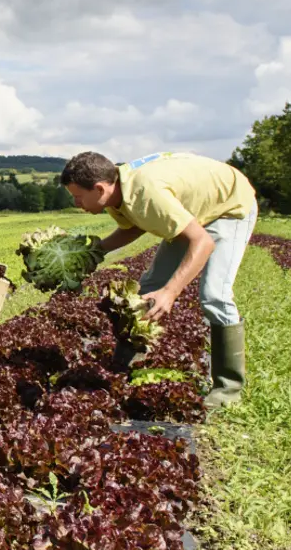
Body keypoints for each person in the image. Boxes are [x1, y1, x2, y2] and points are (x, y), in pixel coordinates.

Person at [60, 151, 259, 407]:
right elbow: (134, 225)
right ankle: (125, 364)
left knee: (213, 295)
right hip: (194, 210)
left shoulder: (146, 192)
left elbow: (203, 242)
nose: (77, 203)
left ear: (99, 188)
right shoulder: (115, 195)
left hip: (228, 206)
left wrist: (171, 292)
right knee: (148, 288)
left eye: (78, 196)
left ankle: (228, 390)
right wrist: (95, 252)